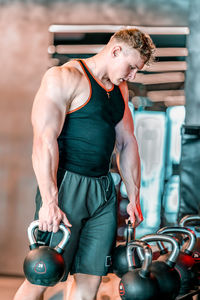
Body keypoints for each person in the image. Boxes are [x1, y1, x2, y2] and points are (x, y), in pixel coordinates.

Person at [14, 27, 155, 300]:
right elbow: (44, 141)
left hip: (103, 191)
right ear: (115, 51)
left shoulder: (120, 89)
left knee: (90, 280)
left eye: (137, 70)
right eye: (131, 67)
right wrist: (50, 201)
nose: (132, 75)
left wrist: (134, 196)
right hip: (67, 186)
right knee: (41, 276)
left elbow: (127, 143)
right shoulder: (64, 78)